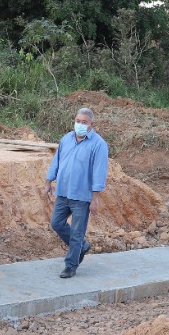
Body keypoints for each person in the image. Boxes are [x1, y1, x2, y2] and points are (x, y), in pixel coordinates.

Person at [45, 106, 108, 278]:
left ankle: (71, 266)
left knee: (77, 232)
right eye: (78, 121)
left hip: (82, 196)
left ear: (91, 124)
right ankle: (82, 246)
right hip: (63, 191)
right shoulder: (67, 139)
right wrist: (48, 181)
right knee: (56, 223)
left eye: (84, 122)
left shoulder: (98, 145)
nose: (80, 124)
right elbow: (56, 161)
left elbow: (99, 172)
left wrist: (95, 198)